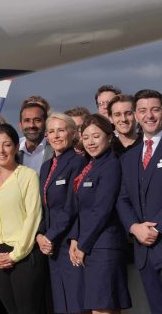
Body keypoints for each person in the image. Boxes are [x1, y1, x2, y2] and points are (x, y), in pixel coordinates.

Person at [69, 114, 131, 313]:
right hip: (92, 246)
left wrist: (83, 244)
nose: (90, 142)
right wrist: (75, 238)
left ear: (109, 136)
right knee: (103, 307)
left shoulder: (111, 165)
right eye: (86, 137)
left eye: (96, 136)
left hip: (104, 246)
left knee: (102, 309)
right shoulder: (92, 165)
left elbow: (101, 210)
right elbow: (82, 209)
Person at [0, 124, 46, 314]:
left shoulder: (28, 176)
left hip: (24, 256)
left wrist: (15, 254)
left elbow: (33, 217)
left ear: (17, 147)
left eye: (7, 145)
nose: (0, 150)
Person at [117, 89, 162, 312]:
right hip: (144, 251)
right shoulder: (129, 157)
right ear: (136, 115)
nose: (149, 115)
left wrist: (156, 228)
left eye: (155, 109)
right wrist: (134, 227)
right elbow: (122, 199)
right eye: (143, 110)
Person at [36, 112, 86, 314]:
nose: (56, 136)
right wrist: (39, 235)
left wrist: (49, 236)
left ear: (73, 133)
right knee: (60, 305)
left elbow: (71, 206)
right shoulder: (46, 166)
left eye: (61, 130)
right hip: (51, 247)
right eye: (51, 132)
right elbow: (43, 206)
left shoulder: (78, 162)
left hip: (69, 243)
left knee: (76, 304)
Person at [18, 102, 54, 176]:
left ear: (45, 124)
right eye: (27, 120)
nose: (32, 125)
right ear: (20, 126)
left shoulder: (56, 151)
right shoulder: (13, 152)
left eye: (37, 120)